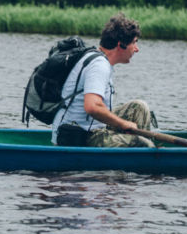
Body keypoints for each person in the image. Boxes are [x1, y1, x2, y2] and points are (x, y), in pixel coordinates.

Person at [52, 13, 154, 148]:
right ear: (121, 45)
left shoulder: (99, 59)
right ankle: (146, 158)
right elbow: (92, 106)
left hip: (91, 128)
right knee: (141, 144)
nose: (137, 49)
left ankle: (139, 155)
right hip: (78, 136)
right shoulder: (99, 65)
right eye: (134, 43)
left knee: (139, 108)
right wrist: (123, 124)